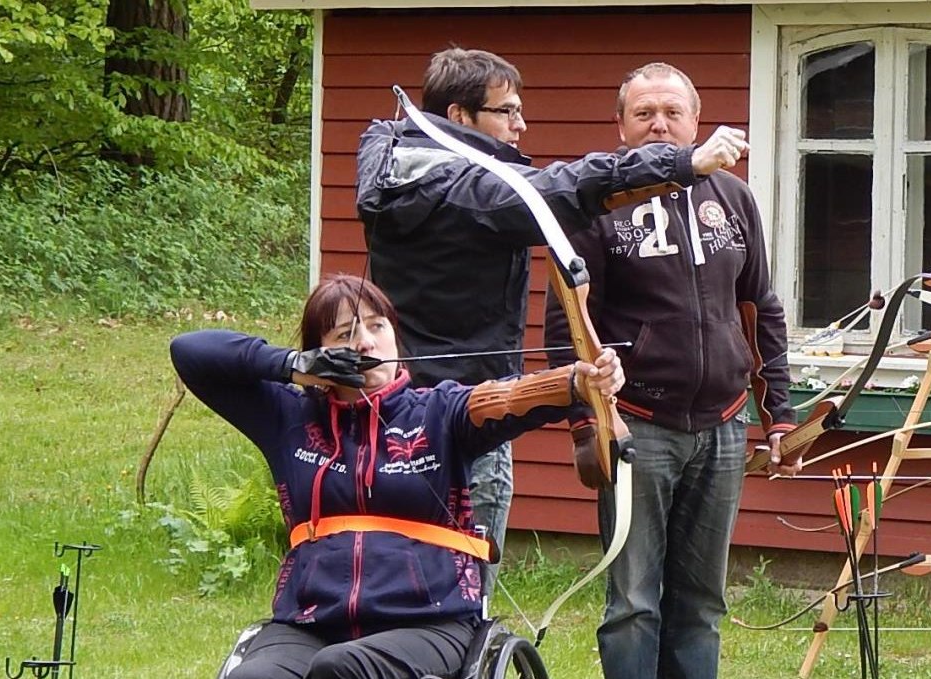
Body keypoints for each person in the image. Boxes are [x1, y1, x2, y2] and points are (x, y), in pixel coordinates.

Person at [355, 48, 747, 566]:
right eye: (507, 111)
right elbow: (558, 189)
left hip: (398, 410)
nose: (521, 125)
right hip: (467, 412)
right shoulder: (466, 192)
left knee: (399, 571)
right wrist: (681, 162)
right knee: (464, 586)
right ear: (458, 117)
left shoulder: (399, 162)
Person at [175, 273, 625, 679]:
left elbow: (510, 398)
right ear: (320, 353)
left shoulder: (441, 411)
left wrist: (579, 381)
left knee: (341, 668)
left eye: (376, 326)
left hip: (430, 622)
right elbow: (189, 352)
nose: (366, 343)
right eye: (344, 334)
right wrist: (290, 365)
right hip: (309, 622)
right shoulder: (289, 417)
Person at [540, 62, 796, 679]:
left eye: (672, 112)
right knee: (632, 603)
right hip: (638, 426)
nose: (659, 125)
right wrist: (586, 424)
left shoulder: (733, 197)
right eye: (644, 114)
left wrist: (779, 414)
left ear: (695, 121)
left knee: (702, 602)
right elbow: (566, 323)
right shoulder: (594, 204)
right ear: (621, 127)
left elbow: (760, 304)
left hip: (724, 427)